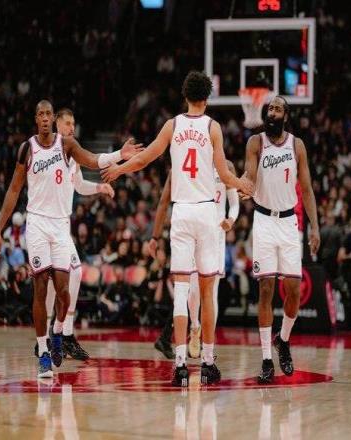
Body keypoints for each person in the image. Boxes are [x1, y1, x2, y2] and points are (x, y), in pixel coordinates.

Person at [102, 71, 253, 386]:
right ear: (207, 98)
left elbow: (144, 159)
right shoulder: (213, 128)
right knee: (208, 292)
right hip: (207, 213)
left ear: (185, 96)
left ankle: (181, 365)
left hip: (181, 212)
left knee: (182, 292)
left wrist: (118, 169)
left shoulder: (172, 125)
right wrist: (243, 185)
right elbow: (225, 174)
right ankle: (208, 363)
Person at [0, 100, 142, 378]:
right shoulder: (27, 148)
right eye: (41, 114)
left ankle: (60, 331)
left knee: (64, 290)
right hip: (37, 223)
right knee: (40, 286)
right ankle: (43, 352)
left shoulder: (67, 146)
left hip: (61, 226)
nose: (45, 118)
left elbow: (93, 160)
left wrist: (119, 155)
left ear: (52, 119)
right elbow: (13, 190)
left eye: (48, 113)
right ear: (36, 119)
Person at [243, 95, 320, 384]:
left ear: (285, 116)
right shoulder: (256, 142)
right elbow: (251, 175)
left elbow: (307, 189)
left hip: (289, 223)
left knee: (294, 292)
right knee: (265, 290)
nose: (272, 112)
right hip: (263, 220)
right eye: (270, 108)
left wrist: (314, 227)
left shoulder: (296, 145)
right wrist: (244, 185)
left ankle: (283, 340)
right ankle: (266, 359)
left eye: (277, 108)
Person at [43, 108, 115, 361]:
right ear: (56, 124)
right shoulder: (46, 150)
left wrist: (100, 187)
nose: (72, 127)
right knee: (49, 283)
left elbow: (80, 185)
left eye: (74, 123)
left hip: (62, 227)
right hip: (44, 225)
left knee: (74, 273)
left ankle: (65, 334)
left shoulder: (73, 153)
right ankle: (47, 337)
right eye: (67, 123)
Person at [148, 163, 240, 359]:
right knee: (192, 292)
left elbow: (234, 202)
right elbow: (167, 199)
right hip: (194, 232)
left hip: (216, 237)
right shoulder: (195, 164)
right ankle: (194, 328)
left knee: (211, 293)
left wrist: (231, 220)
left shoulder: (227, 166)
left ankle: (207, 346)